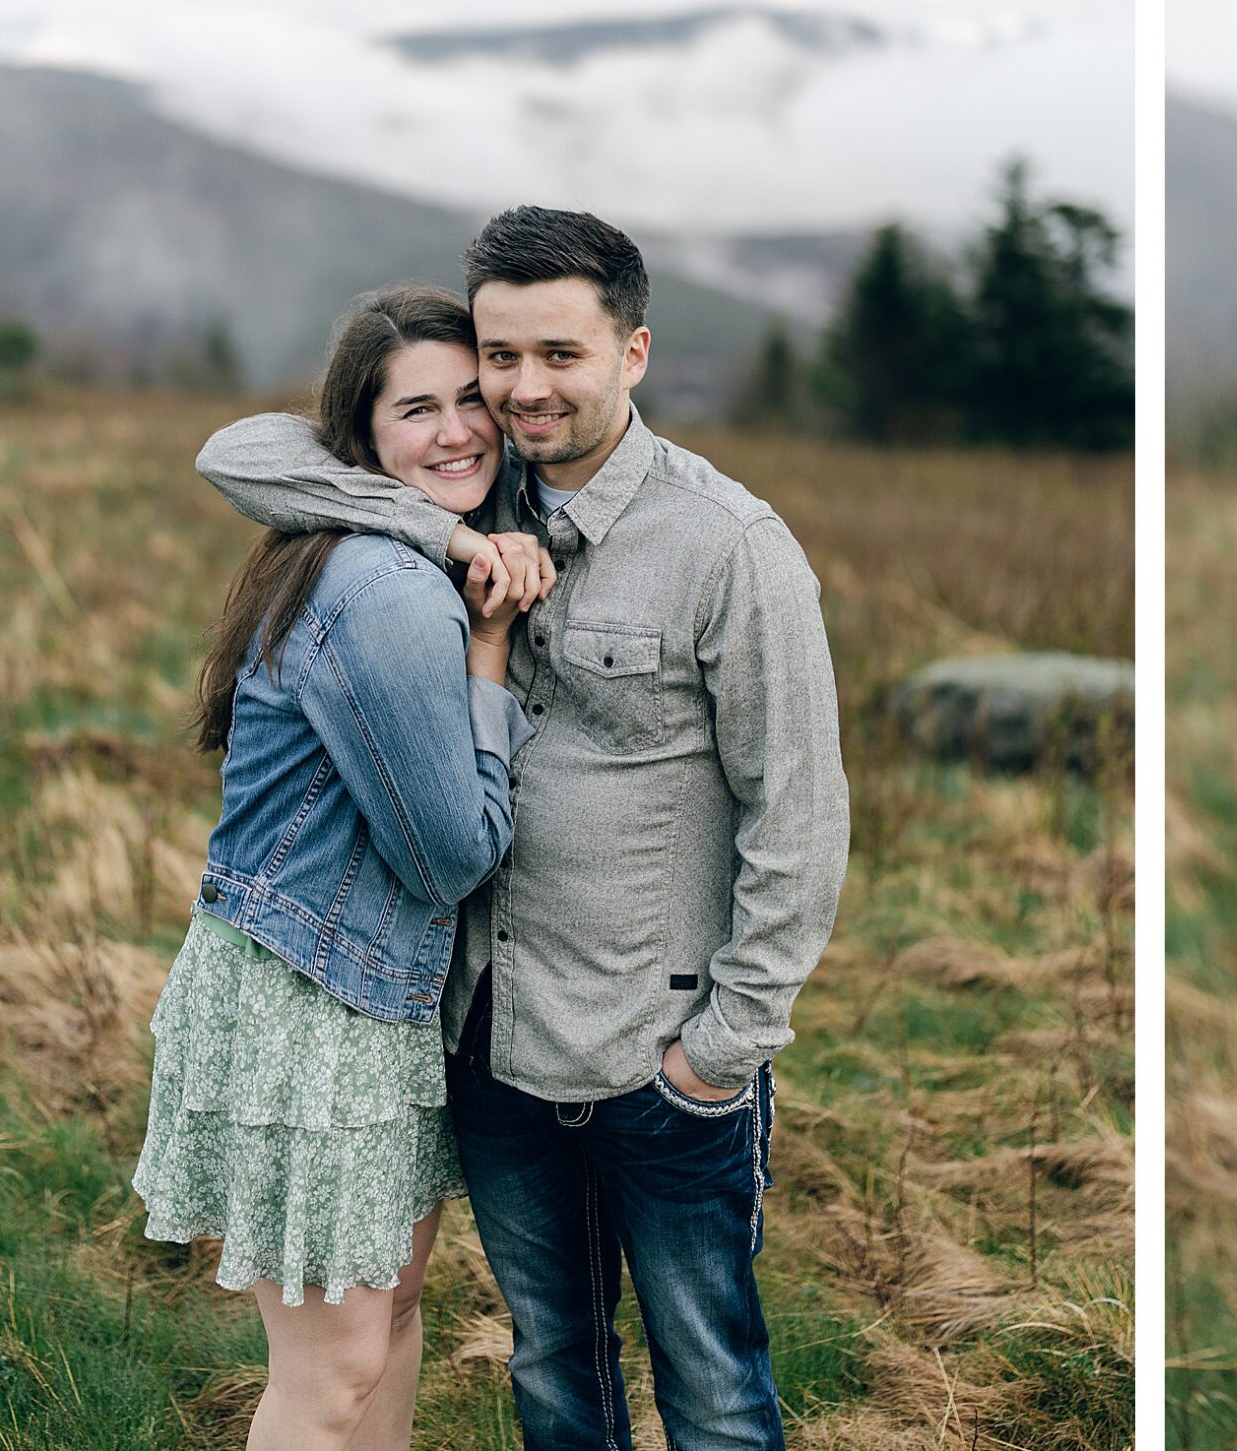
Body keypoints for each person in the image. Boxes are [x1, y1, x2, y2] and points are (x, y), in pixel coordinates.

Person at [196, 206, 849, 1451]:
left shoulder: (730, 546)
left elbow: (800, 817)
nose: (522, 388)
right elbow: (240, 454)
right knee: (553, 1362)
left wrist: (720, 1050)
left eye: (560, 354)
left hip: (660, 1050)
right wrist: (440, 527)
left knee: (709, 1383)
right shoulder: (466, 480)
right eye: (501, 356)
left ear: (634, 352)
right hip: (491, 1039)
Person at [137, 285, 555, 1451]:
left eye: (474, 396)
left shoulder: (387, 547)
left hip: (363, 998)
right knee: (332, 1372)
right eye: (413, 408)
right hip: (308, 1000)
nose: (458, 429)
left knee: (390, 1324)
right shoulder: (381, 585)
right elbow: (450, 856)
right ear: (362, 442)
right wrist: (485, 646)